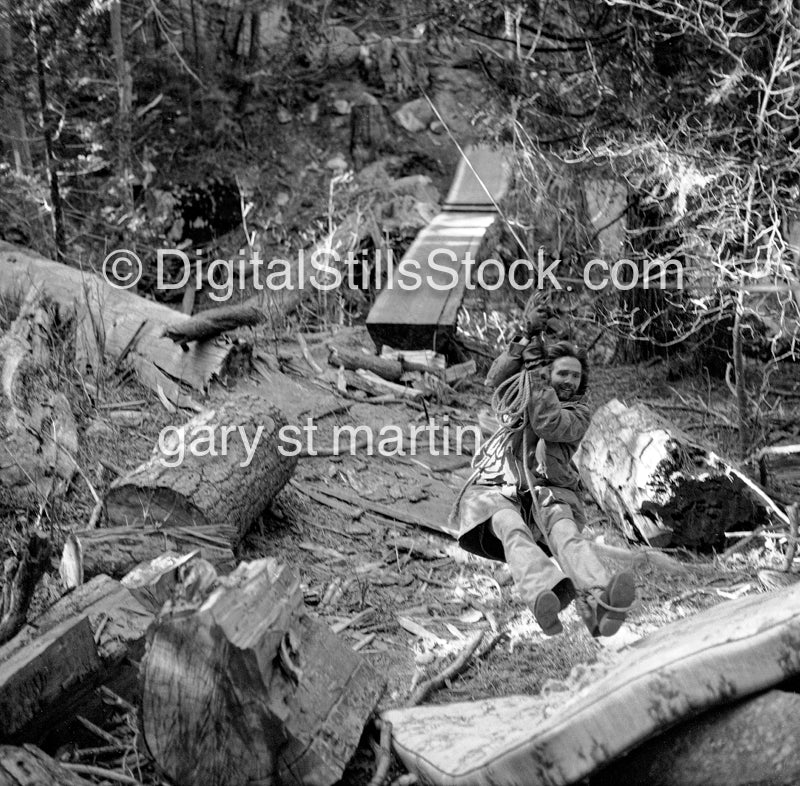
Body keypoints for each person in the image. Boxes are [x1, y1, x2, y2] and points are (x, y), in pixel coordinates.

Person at [451, 307, 635, 637]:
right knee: (511, 528)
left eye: (575, 376)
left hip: (550, 494)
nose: (568, 381)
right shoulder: (527, 385)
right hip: (500, 487)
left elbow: (547, 423)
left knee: (566, 535)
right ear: (551, 374)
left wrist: (537, 372)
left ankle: (601, 599)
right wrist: (524, 336)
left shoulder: (578, 414)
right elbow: (494, 379)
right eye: (561, 373)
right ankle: (545, 598)